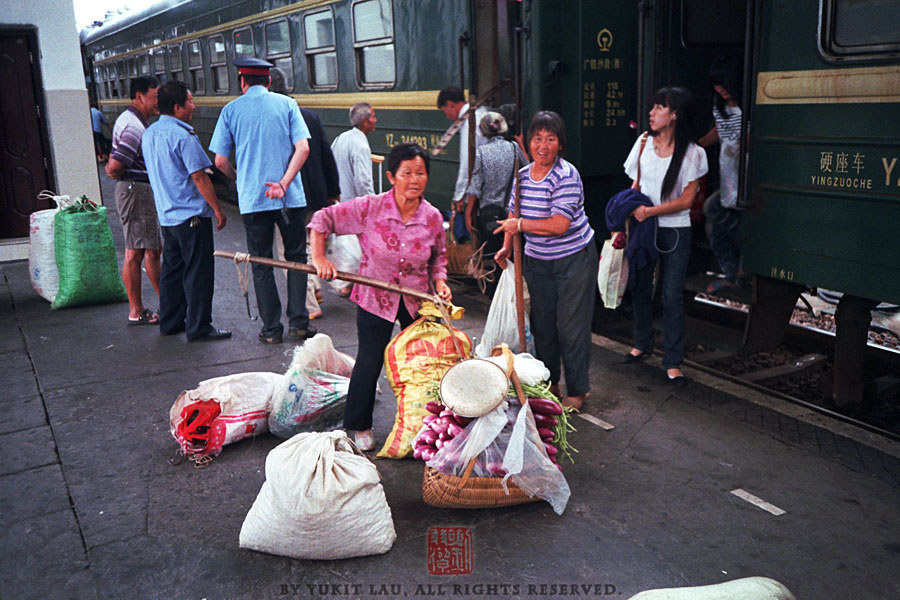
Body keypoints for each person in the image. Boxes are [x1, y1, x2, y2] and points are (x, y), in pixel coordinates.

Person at [308, 142, 452, 451]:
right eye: (407, 173)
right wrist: (320, 259)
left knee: (424, 362)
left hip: (418, 299)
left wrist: (440, 282)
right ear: (391, 176)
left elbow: (439, 258)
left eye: (421, 173)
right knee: (370, 359)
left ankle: (425, 425)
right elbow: (322, 220)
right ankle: (358, 425)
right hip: (375, 296)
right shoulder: (370, 207)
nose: (415, 179)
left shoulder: (431, 217)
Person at [493, 111, 597, 410]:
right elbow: (513, 215)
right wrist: (506, 248)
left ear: (560, 144)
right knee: (543, 326)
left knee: (570, 327)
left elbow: (559, 225)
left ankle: (578, 391)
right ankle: (549, 384)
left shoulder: (567, 175)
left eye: (550, 139)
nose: (543, 145)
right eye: (537, 139)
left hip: (574, 260)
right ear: (527, 143)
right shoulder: (522, 177)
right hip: (538, 261)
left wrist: (520, 227)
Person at [209, 57, 314, 345]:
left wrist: (240, 179)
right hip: (289, 198)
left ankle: (271, 330)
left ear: (242, 81)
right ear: (268, 81)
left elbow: (219, 162)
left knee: (261, 262)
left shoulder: (230, 111)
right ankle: (299, 325)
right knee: (296, 259)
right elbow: (303, 148)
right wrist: (283, 182)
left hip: (254, 200)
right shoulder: (288, 105)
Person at [622, 87, 709, 383]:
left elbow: (687, 200)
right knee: (641, 287)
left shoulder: (694, 153)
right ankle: (641, 343)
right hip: (644, 229)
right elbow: (636, 184)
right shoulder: (643, 143)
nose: (651, 113)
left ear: (674, 115)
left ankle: (672, 360)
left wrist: (650, 212)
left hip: (675, 230)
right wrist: (628, 209)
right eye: (653, 107)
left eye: (659, 108)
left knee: (672, 295)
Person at [141, 80, 230, 342]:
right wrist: (216, 208)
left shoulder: (150, 134)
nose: (194, 106)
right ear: (178, 107)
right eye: (190, 102)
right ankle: (199, 326)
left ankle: (170, 322)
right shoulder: (183, 136)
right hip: (191, 216)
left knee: (172, 270)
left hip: (167, 216)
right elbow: (200, 178)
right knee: (198, 273)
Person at [268, 67, 340, 319]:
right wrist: (333, 191)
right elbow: (326, 155)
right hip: (315, 194)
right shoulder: (309, 116)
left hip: (288, 197)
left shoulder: (270, 118)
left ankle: (309, 305)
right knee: (312, 242)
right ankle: (316, 287)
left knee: (291, 251)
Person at [105, 76, 162, 326]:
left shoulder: (130, 121)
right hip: (136, 190)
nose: (158, 101)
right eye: (155, 96)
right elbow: (115, 166)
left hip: (133, 190)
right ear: (140, 96)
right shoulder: (134, 127)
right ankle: (148, 309)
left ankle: (138, 309)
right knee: (147, 251)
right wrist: (114, 170)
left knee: (138, 250)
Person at [465, 111, 527, 294]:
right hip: (512, 213)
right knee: (513, 255)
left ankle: (495, 296)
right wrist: (522, 144)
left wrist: (469, 213)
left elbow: (475, 189)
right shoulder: (514, 148)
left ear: (484, 132)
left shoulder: (481, 153)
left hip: (488, 215)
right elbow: (528, 171)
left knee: (493, 257)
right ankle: (514, 294)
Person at [698, 56, 744, 293]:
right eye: (716, 84)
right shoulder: (721, 106)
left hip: (744, 169)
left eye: (723, 83)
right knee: (715, 220)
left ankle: (741, 263)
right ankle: (732, 272)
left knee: (713, 209)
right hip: (728, 167)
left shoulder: (746, 106)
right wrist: (697, 146)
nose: (720, 89)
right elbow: (720, 131)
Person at [329, 102, 378, 296]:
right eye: (373, 116)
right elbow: (363, 180)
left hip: (341, 201)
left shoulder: (342, 138)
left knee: (346, 246)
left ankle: (345, 282)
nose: (376, 120)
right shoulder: (361, 145)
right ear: (366, 122)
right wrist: (372, 204)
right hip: (355, 205)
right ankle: (346, 284)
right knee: (356, 247)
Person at [437, 86, 489, 210]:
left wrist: (459, 196)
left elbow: (467, 162)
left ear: (450, 105)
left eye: (445, 111)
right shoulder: (482, 111)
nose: (447, 117)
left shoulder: (469, 122)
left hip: (480, 186)